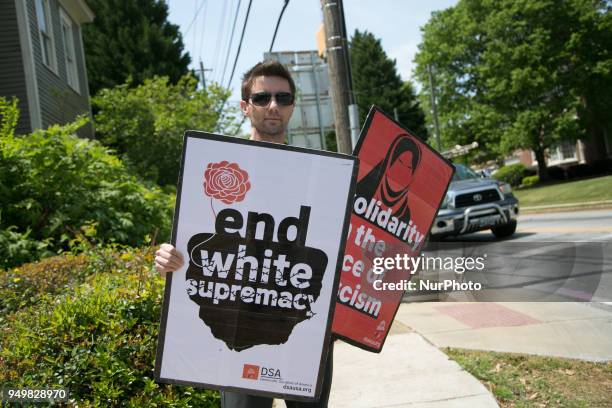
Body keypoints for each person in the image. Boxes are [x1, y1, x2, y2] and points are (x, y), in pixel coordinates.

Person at [154, 60, 333, 408]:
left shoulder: (322, 176)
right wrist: (166, 259)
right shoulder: (212, 168)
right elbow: (189, 242)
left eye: (283, 98)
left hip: (303, 331)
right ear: (245, 106)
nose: (273, 106)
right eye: (262, 97)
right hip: (236, 332)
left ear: (293, 106)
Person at [355, 133, 421, 224]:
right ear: (389, 162)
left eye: (409, 168)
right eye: (400, 162)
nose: (402, 172)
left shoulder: (405, 215)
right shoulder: (359, 192)